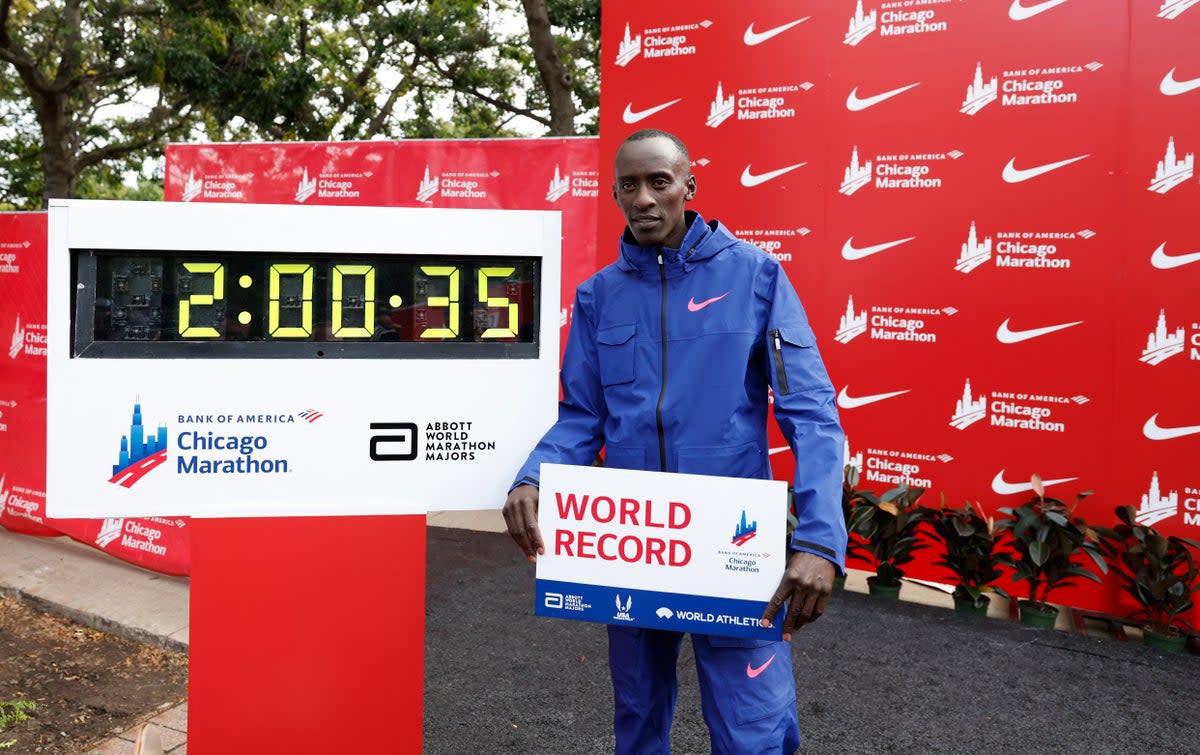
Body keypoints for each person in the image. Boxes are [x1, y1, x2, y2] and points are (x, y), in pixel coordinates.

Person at [503, 128, 846, 755]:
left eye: (660, 181)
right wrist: (533, 477)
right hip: (634, 541)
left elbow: (812, 414)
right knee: (636, 722)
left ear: (690, 185)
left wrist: (822, 540)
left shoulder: (757, 278)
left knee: (754, 733)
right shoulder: (598, 297)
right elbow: (582, 416)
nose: (645, 198)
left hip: (733, 542)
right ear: (613, 193)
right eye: (629, 186)